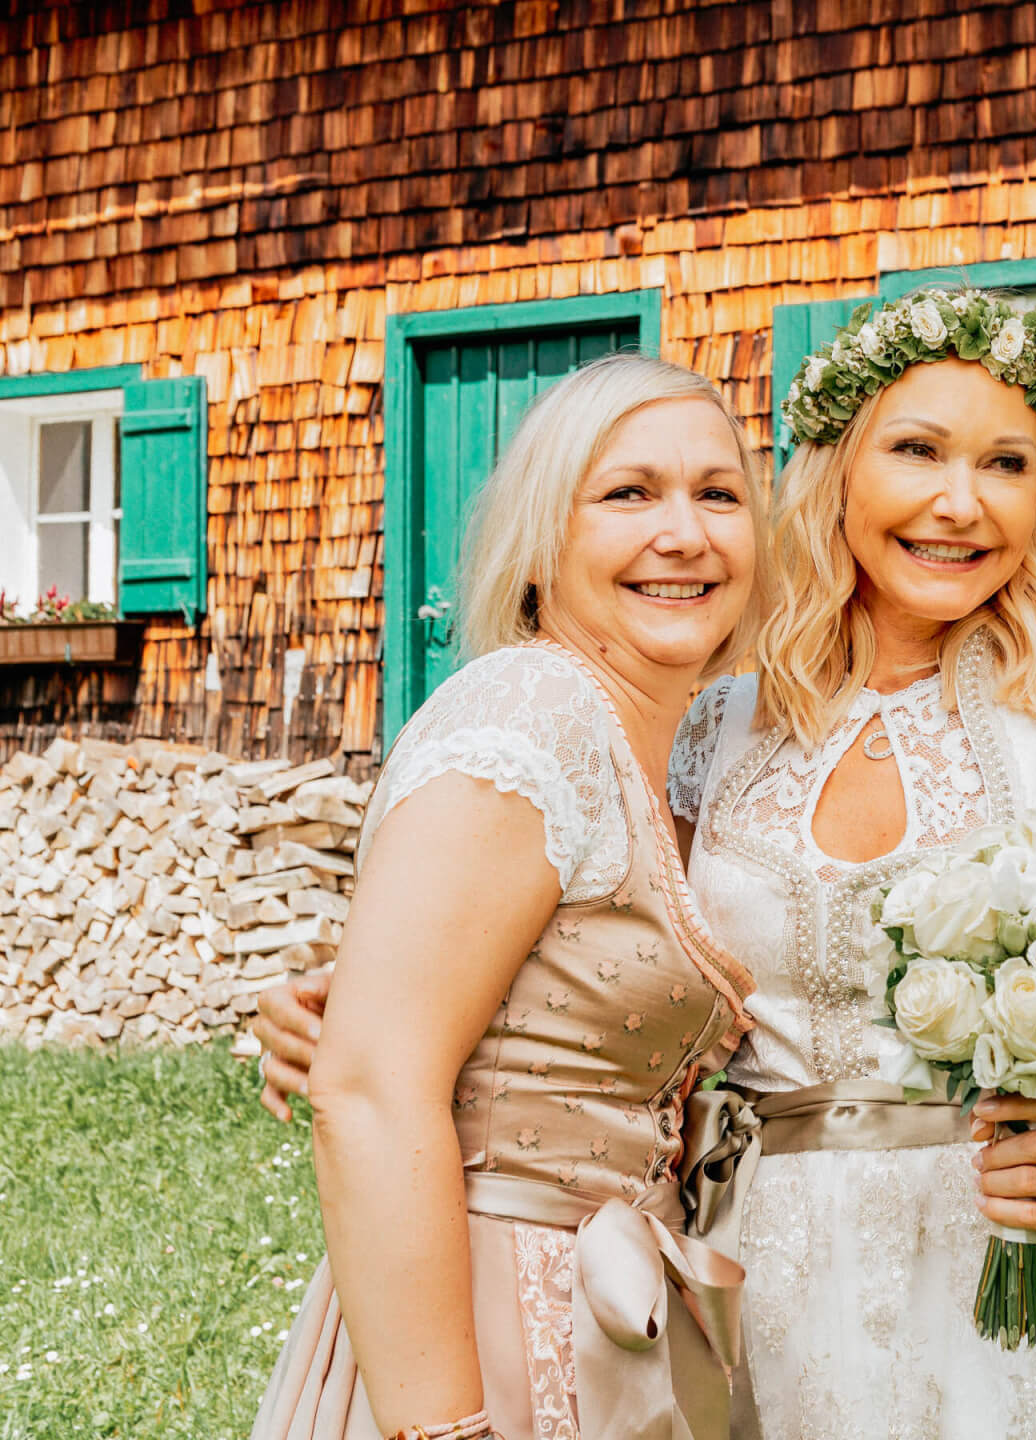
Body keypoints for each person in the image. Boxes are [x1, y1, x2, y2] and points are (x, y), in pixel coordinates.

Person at [666, 286, 1036, 1437]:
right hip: (744, 1267)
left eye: (1004, 465)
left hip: (986, 1292)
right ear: (836, 468)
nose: (960, 503)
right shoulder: (711, 731)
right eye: (917, 451)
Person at [252, 354, 765, 1440]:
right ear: (541, 540)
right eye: (628, 493)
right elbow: (371, 1091)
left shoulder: (661, 747)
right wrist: (448, 1428)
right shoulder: (533, 712)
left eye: (717, 494)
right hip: (476, 1321)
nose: (684, 534)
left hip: (598, 1314)